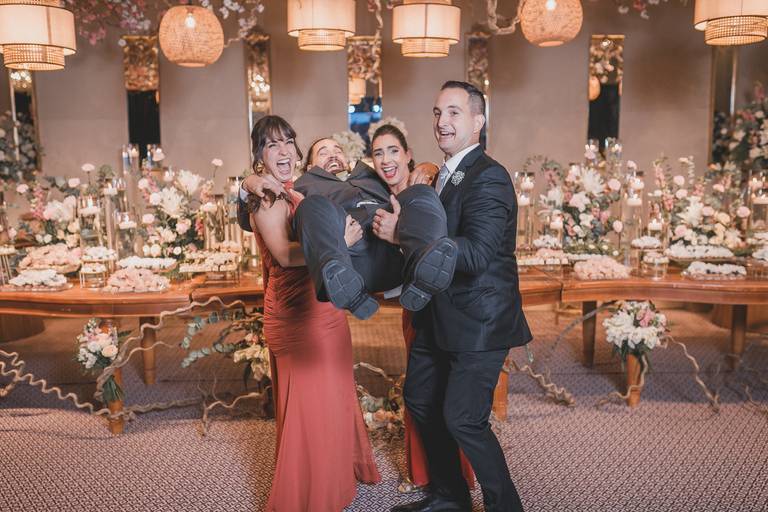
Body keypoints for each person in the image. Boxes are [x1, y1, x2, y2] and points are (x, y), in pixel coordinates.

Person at [379, 82, 533, 512]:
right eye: (437, 113)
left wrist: (404, 233)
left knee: (463, 418)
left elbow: (478, 253)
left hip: (480, 318)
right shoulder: (445, 174)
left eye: (453, 112)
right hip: (440, 314)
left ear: (478, 121)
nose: (442, 122)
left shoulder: (489, 176)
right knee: (420, 398)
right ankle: (451, 497)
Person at [245, 115, 380, 511]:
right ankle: (311, 495)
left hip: (324, 308)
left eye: (288, 141)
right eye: (272, 144)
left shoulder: (297, 190)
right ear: (260, 156)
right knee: (311, 409)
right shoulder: (266, 199)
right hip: (297, 315)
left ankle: (334, 479)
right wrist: (339, 243)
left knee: (332, 398)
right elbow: (285, 257)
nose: (283, 150)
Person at [237, 136, 457, 320]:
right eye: (323, 152)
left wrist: (430, 167)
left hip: (394, 252)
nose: (333, 155)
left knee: (421, 193)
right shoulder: (301, 187)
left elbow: (403, 174)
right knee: (311, 206)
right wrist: (247, 184)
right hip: (353, 259)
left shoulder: (369, 176)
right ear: (310, 167)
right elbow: (252, 219)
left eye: (338, 150)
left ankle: (424, 272)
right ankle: (348, 290)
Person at [369, 123, 476, 491]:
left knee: (444, 388)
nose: (386, 160)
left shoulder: (428, 185)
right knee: (418, 389)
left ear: (408, 155)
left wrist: (399, 232)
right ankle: (423, 473)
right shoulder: (379, 202)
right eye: (378, 153)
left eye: (393, 151)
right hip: (412, 305)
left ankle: (456, 476)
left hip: (444, 300)